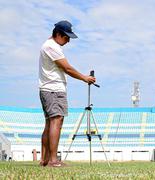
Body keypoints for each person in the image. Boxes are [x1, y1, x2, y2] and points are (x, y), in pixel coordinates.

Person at [39, 20, 96, 167]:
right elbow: (68, 69)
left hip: (48, 88)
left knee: (50, 123)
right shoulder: (52, 47)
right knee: (56, 121)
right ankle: (52, 160)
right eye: (66, 37)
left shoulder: (49, 45)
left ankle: (45, 160)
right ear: (58, 34)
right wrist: (85, 78)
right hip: (54, 89)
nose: (69, 40)